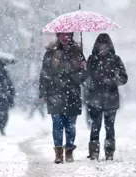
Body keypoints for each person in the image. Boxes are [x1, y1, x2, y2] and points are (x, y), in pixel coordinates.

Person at [39, 32, 86, 164]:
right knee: (57, 124)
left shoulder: (78, 53)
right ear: (58, 36)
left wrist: (83, 68)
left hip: (72, 94)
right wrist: (43, 92)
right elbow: (45, 74)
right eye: (62, 35)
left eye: (68, 35)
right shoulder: (50, 53)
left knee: (70, 126)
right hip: (55, 94)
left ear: (71, 36)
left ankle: (69, 150)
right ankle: (59, 153)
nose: (65, 38)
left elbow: (83, 77)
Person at [85, 33, 128, 161]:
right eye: (101, 46)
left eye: (105, 46)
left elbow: (124, 78)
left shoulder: (116, 60)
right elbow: (85, 78)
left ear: (109, 47)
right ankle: (94, 153)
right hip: (95, 99)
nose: (103, 49)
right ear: (97, 47)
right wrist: (84, 68)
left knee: (109, 128)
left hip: (111, 100)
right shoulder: (92, 60)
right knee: (95, 127)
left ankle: (109, 152)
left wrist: (113, 80)